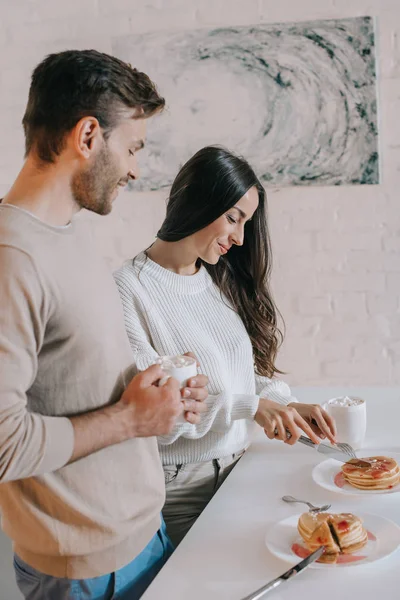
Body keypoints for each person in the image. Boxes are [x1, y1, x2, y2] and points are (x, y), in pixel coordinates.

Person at [0, 49, 208, 600]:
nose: (137, 168)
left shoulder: (67, 232)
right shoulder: (10, 256)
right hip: (83, 573)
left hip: (142, 534)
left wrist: (157, 395)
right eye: (133, 147)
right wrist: (130, 419)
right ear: (88, 136)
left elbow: (72, 378)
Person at [114, 145, 337, 547]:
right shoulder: (129, 289)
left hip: (237, 464)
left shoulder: (215, 278)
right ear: (197, 202)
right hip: (182, 485)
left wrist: (280, 403)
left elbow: (230, 372)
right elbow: (160, 416)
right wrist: (251, 407)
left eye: (246, 222)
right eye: (233, 218)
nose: (239, 237)